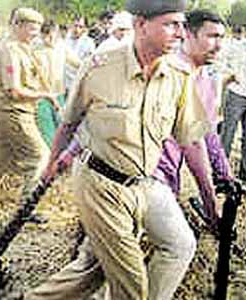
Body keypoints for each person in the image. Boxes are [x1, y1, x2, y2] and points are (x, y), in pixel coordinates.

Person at [25, 1, 212, 299]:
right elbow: (69, 122)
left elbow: (192, 138)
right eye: (170, 24)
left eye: (182, 24)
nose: (180, 33)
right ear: (141, 25)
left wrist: (210, 195)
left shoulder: (179, 76)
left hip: (141, 187)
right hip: (99, 182)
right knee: (131, 285)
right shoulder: (100, 66)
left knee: (92, 270)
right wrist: (51, 163)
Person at [0, 8, 60, 227]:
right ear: (18, 25)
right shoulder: (11, 50)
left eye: (37, 29)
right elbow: (15, 90)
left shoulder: (24, 49)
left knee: (0, 163)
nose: (35, 33)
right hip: (14, 112)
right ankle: (25, 209)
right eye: (31, 28)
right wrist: (45, 94)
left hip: (16, 112)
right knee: (40, 157)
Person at [220, 21, 246, 186]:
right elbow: (220, 61)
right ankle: (219, 173)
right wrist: (230, 76)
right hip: (234, 94)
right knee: (227, 134)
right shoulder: (236, 47)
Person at [36, 20, 81, 148]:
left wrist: (91, 65)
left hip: (59, 94)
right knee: (47, 133)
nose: (49, 39)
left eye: (52, 35)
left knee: (61, 130)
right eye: (46, 35)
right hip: (43, 97)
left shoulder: (62, 47)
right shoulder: (36, 50)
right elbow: (38, 76)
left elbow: (77, 63)